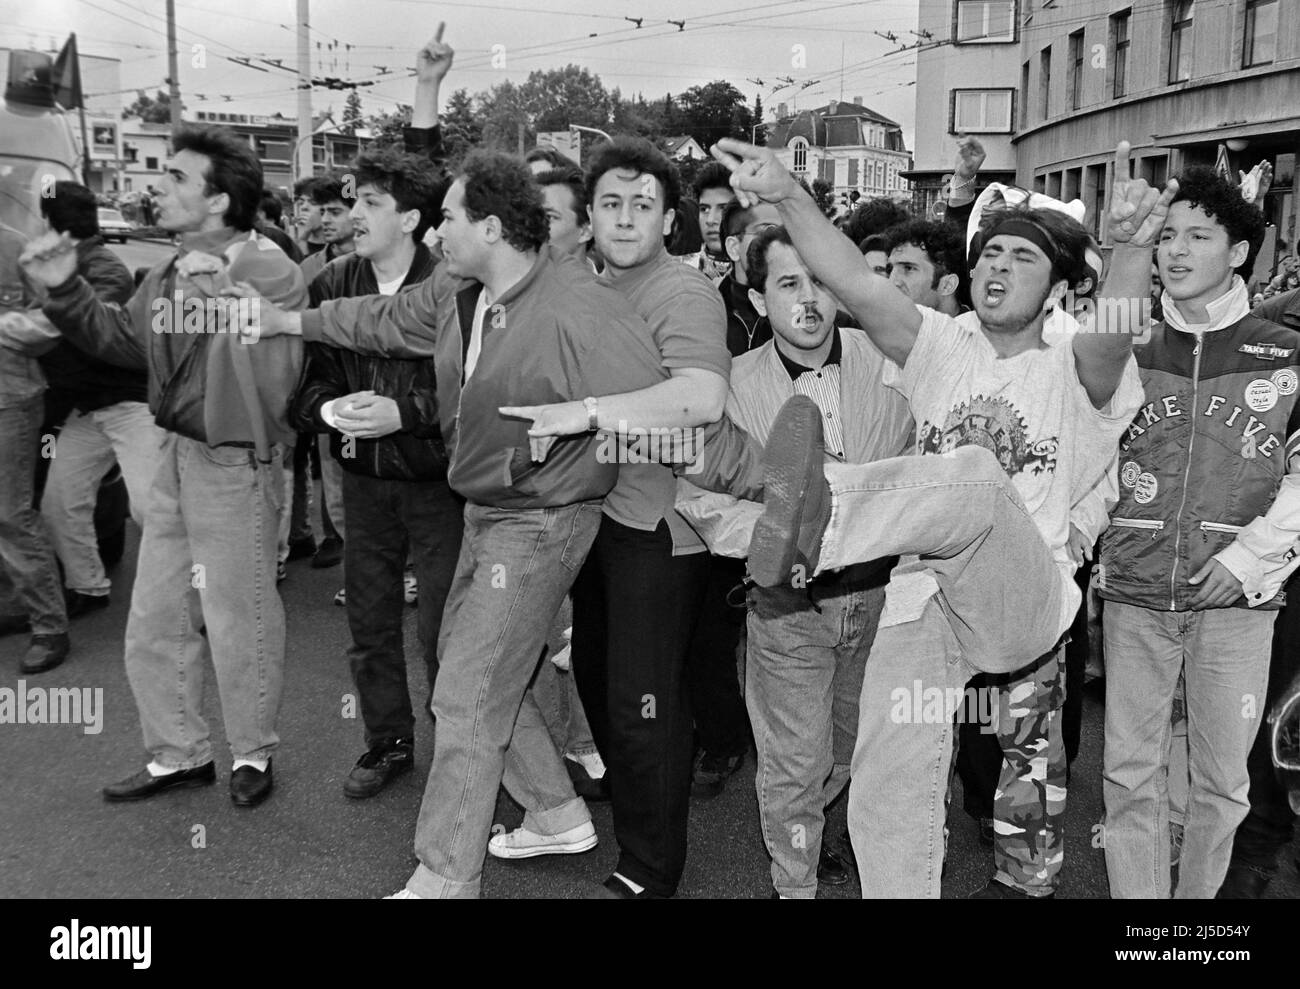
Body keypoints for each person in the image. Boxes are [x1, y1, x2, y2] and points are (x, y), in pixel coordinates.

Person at [704, 137, 1155, 897]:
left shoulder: (1077, 356)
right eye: (989, 256)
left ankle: (824, 513)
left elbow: (1114, 333)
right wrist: (786, 194)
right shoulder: (938, 342)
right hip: (922, 596)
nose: (998, 268)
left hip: (1023, 598)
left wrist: (1131, 248)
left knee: (974, 480)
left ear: (1055, 289)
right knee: (889, 785)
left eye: (1022, 258)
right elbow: (849, 274)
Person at [236, 146, 674, 899]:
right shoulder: (458, 291)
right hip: (485, 511)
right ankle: (555, 810)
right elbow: (377, 319)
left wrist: (758, 484)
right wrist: (286, 317)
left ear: (494, 228)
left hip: (542, 520)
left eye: (447, 219)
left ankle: (446, 875)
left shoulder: (577, 306)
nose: (436, 233)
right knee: (473, 675)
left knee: (467, 693)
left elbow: (672, 399)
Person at [21, 124, 307, 808]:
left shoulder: (267, 267)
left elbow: (276, 380)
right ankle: (177, 752)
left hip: (236, 464)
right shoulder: (173, 267)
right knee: (153, 615)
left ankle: (252, 751)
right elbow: (121, 341)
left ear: (218, 201)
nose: (159, 186)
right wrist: (65, 290)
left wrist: (228, 304)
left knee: (240, 617)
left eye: (176, 177)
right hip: (175, 452)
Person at [498, 137, 730, 898]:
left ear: (669, 220)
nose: (626, 219)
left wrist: (587, 413)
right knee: (601, 683)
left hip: (660, 527)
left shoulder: (684, 292)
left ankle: (650, 868)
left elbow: (701, 399)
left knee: (642, 703)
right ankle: (643, 805)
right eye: (611, 204)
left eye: (643, 205)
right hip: (596, 520)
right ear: (589, 217)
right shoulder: (585, 284)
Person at [676, 225, 913, 896]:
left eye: (818, 281)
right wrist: (775, 529)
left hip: (883, 596)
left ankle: (821, 833)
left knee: (850, 751)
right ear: (756, 296)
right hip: (786, 600)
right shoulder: (729, 384)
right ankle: (795, 883)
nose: (807, 299)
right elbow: (698, 491)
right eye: (787, 283)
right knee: (794, 764)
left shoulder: (893, 361)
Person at [1099, 166, 1300, 899]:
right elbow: (1089, 456)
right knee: (1129, 776)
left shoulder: (1284, 350)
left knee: (1221, 784)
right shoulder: (1124, 343)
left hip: (1237, 606)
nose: (1175, 252)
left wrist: (1250, 559)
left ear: (1240, 252)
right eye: (1166, 236)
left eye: (1198, 236)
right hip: (1133, 596)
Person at [289, 147, 459, 799]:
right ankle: (388, 742)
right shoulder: (332, 283)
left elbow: (476, 390)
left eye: (370, 202)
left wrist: (405, 413)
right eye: (352, 200)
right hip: (361, 484)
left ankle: (461, 749)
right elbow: (304, 389)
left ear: (412, 216)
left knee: (443, 626)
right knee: (369, 620)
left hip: (441, 483)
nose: (353, 213)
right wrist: (333, 409)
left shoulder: (453, 283)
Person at [0, 182, 154, 628]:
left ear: (47, 222)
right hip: (85, 410)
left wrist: (29, 320)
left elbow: (86, 328)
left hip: (131, 407)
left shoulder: (105, 268)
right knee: (59, 503)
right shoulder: (47, 262)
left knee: (150, 507)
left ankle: (194, 594)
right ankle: (87, 587)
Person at [0, 222, 70, 674]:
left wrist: (6, 325)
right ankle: (15, 605)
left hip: (10, 396)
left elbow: (53, 321)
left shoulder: (15, 246)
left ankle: (49, 625)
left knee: (10, 512)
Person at [883, 218, 965, 317]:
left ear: (947, 285)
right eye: (890, 269)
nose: (892, 282)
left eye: (908, 268)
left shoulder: (976, 331)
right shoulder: (886, 328)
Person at [691, 161, 737, 281]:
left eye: (723, 209)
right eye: (704, 209)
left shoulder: (769, 276)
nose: (710, 220)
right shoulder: (680, 274)